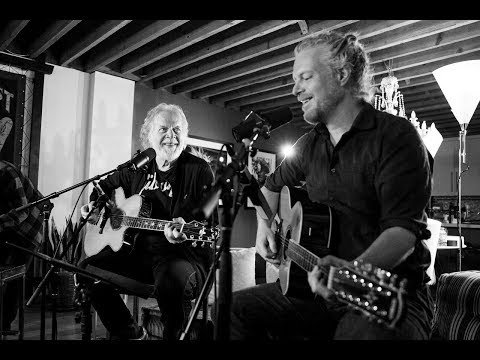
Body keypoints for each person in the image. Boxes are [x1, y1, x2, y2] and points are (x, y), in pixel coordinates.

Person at [230, 30, 434, 340]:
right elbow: (268, 190)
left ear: (341, 74)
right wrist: (264, 229)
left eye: (305, 77)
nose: (296, 90)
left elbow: (402, 233)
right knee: (235, 309)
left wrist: (348, 274)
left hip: (385, 295)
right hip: (316, 293)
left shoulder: (396, 136)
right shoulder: (310, 145)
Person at [78, 103, 215, 340]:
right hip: (138, 254)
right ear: (149, 135)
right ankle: (130, 333)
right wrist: (96, 206)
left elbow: (207, 222)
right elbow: (103, 187)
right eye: (163, 129)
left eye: (177, 129)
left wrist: (183, 230)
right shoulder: (138, 168)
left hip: (183, 256)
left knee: (172, 280)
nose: (171, 136)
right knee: (85, 269)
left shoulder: (198, 170)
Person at [0, 160, 44, 333]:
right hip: (7, 229)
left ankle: (3, 326)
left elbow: (22, 211)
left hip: (27, 231)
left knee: (12, 282)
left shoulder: (6, 172)